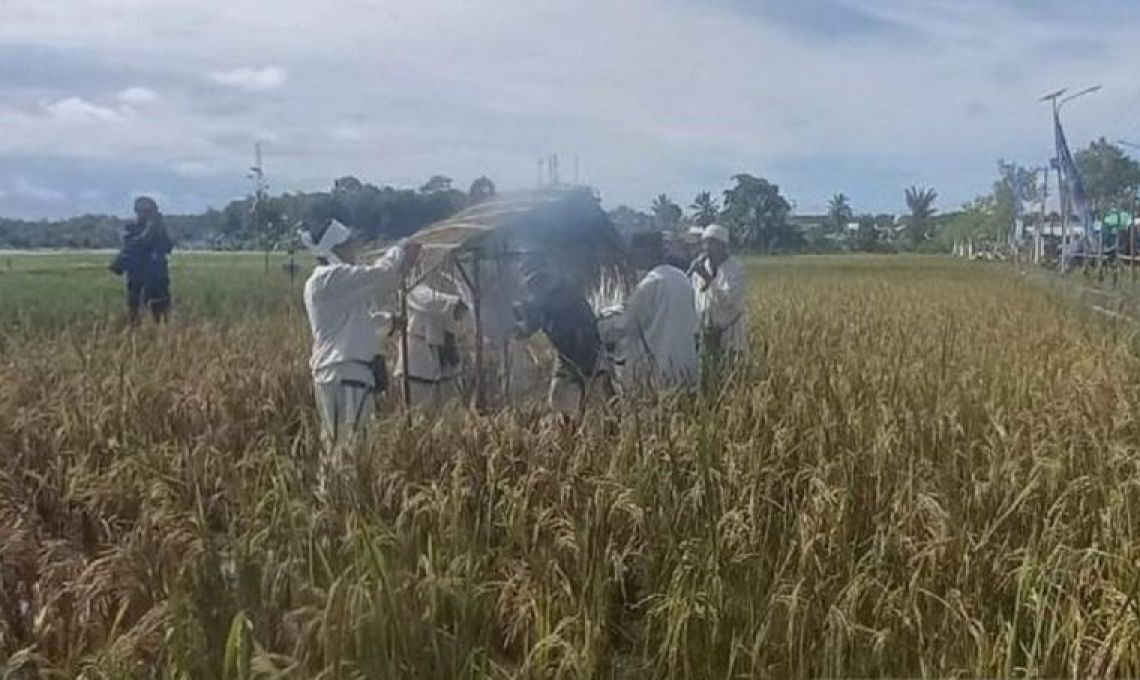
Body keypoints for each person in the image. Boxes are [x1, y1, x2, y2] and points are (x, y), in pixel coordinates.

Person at [301, 216, 421, 498]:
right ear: (336, 247)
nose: (355, 247)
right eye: (349, 243)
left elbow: (360, 320)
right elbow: (381, 274)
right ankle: (344, 510)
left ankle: (336, 508)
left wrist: (390, 322)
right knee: (350, 447)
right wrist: (400, 250)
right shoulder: (330, 278)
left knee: (340, 445)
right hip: (344, 374)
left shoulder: (334, 283)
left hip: (343, 373)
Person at [602, 232, 699, 394]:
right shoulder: (681, 277)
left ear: (645, 253)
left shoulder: (651, 283)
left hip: (657, 376)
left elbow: (624, 323)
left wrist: (598, 324)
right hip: (686, 370)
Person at [513, 260, 607, 418]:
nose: (533, 289)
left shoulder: (566, 297)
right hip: (567, 362)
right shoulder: (542, 304)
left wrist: (585, 366)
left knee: (599, 412)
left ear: (544, 280)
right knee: (558, 401)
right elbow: (526, 327)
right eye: (530, 286)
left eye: (536, 282)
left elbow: (586, 332)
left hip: (591, 359)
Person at [393, 284, 467, 410]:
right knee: (418, 409)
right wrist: (455, 304)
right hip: (417, 361)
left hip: (441, 357)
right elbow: (428, 300)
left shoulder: (449, 284)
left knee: (448, 407)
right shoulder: (412, 284)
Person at [109, 196, 173, 324]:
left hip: (156, 273)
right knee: (134, 308)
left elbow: (168, 246)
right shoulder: (130, 227)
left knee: (160, 307)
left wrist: (158, 231)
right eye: (146, 211)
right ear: (137, 212)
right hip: (137, 273)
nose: (149, 214)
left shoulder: (158, 228)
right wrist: (149, 229)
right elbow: (134, 243)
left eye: (151, 211)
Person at [691, 224, 748, 360]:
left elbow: (727, 300)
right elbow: (696, 299)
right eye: (705, 244)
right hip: (705, 334)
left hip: (729, 335)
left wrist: (708, 279)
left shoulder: (736, 269)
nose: (707, 249)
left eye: (712, 244)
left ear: (723, 246)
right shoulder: (701, 267)